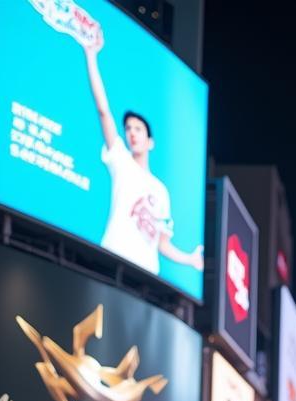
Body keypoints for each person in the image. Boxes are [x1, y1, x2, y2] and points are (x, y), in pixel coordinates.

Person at [81, 31, 204, 276]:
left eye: (138, 129)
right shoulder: (121, 160)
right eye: (128, 129)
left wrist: (189, 259)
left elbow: (162, 243)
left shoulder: (160, 191)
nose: (132, 133)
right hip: (113, 259)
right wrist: (91, 55)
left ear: (151, 142)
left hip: (146, 275)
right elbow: (103, 110)